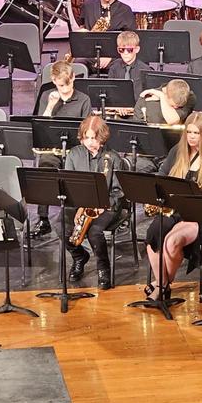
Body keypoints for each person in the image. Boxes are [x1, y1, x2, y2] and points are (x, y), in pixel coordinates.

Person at [145, 113, 202, 299]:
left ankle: (160, 287)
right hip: (178, 209)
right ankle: (163, 285)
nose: (192, 136)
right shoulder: (178, 152)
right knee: (153, 233)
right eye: (189, 132)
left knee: (172, 241)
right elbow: (162, 176)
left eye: (196, 133)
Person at [63, 116, 129, 290]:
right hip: (81, 205)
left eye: (94, 138)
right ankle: (79, 256)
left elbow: (118, 191)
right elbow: (68, 184)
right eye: (86, 138)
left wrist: (102, 206)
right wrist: (80, 207)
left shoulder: (112, 157)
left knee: (95, 231)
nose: (90, 142)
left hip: (107, 206)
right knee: (59, 223)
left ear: (102, 137)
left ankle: (103, 268)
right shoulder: (74, 154)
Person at [31, 60, 93, 238]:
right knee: (44, 170)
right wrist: (50, 106)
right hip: (52, 148)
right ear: (53, 80)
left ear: (73, 77)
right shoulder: (46, 96)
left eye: (68, 84)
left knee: (74, 174)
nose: (64, 89)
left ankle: (75, 219)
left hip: (75, 149)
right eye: (60, 86)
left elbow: (87, 130)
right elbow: (40, 126)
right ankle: (43, 219)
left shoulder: (83, 99)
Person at [106, 30, 149, 97]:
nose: (125, 53)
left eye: (129, 50)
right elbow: (110, 92)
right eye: (121, 50)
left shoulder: (145, 70)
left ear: (137, 49)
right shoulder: (113, 68)